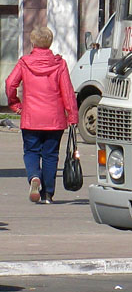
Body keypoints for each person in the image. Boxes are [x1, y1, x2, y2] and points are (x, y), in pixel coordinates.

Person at [4, 26, 79, 204]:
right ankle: (48, 194)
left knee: (31, 151)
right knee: (50, 155)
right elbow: (67, 92)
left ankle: (34, 177)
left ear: (33, 42)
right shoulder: (59, 64)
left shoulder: (24, 62)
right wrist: (73, 115)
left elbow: (10, 84)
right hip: (55, 119)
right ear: (50, 42)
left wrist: (15, 104)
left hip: (31, 118)